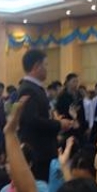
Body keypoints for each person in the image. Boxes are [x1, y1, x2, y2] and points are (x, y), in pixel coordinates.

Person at [17, 50, 74, 181]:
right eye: (46, 65)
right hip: (38, 152)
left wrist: (54, 120)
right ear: (37, 66)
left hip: (43, 150)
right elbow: (32, 120)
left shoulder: (35, 88)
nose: (47, 69)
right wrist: (59, 124)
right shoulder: (28, 89)